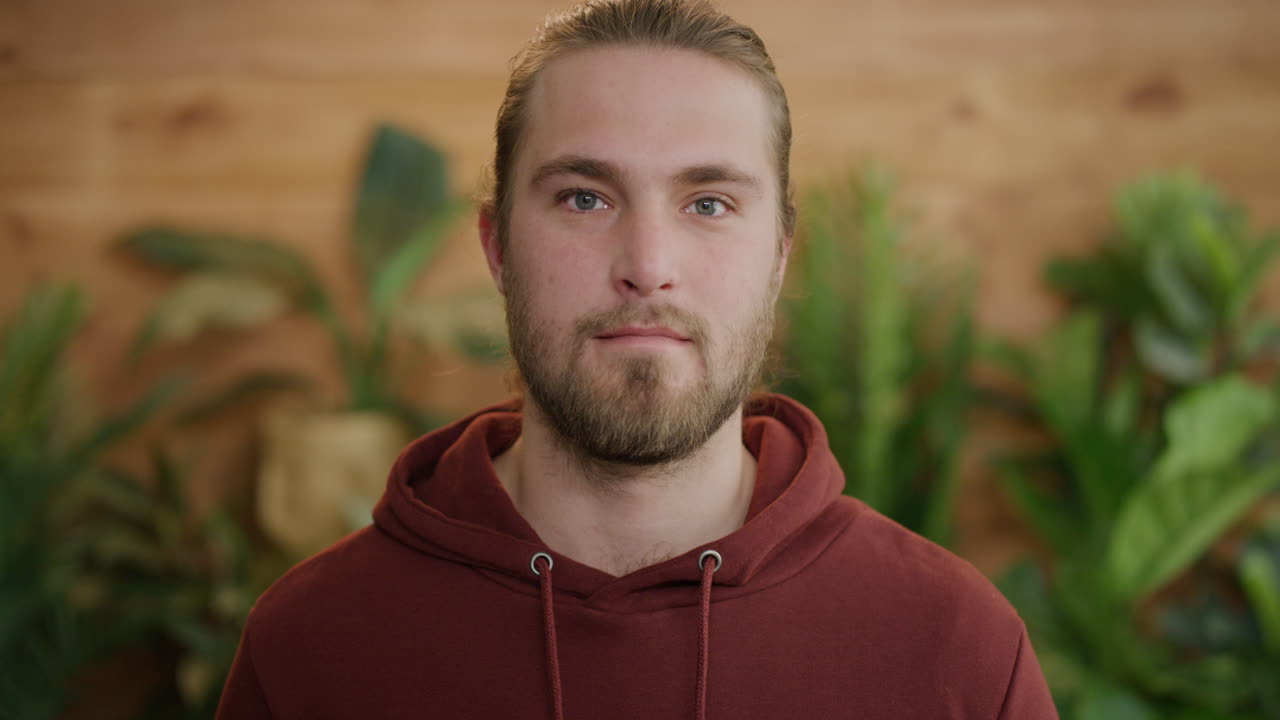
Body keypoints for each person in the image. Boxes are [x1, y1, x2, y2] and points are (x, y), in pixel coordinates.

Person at [217, 0, 1058, 717]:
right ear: (497, 246)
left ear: (779, 256)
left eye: (708, 202)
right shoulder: (313, 647)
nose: (647, 262)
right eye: (585, 197)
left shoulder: (957, 652)